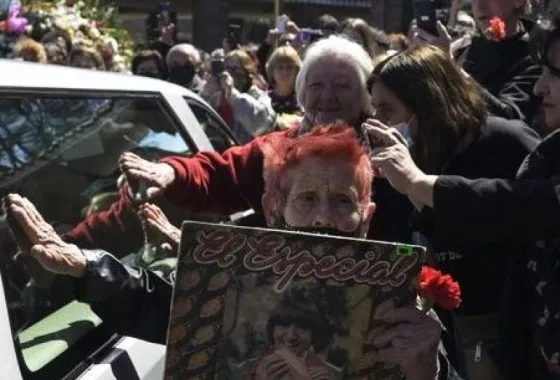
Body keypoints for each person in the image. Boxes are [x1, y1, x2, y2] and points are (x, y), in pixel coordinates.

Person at [4, 124, 480, 380]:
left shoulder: (400, 304)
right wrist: (85, 266)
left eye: (341, 202)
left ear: (367, 216)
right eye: (307, 199)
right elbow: (160, 305)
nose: (322, 219)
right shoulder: (239, 284)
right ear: (275, 210)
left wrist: (431, 379)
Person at [60, 35, 411, 260]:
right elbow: (217, 173)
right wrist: (169, 172)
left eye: (342, 85)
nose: (327, 96)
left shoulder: (391, 152)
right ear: (302, 95)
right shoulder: (277, 148)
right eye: (317, 84)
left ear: (366, 96)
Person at [367, 10, 560, 380]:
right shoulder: (397, 162)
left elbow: (524, 206)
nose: (377, 123)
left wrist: (420, 184)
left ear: (426, 104)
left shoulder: (506, 143)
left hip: (510, 345)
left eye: (387, 109)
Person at [411, 0, 541, 123]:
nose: (479, 7)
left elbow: (508, 118)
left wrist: (449, 65)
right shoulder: (462, 48)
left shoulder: (534, 57)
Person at [200, 48, 276, 144]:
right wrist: (205, 95)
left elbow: (260, 126)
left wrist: (232, 95)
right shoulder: (215, 97)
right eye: (227, 69)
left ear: (247, 74)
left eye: (235, 69)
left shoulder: (260, 97)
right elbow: (194, 122)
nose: (229, 73)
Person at [265, 45, 302, 128]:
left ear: (297, 70)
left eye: (289, 67)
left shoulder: (304, 98)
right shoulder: (264, 99)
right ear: (272, 70)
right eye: (280, 67)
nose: (285, 72)